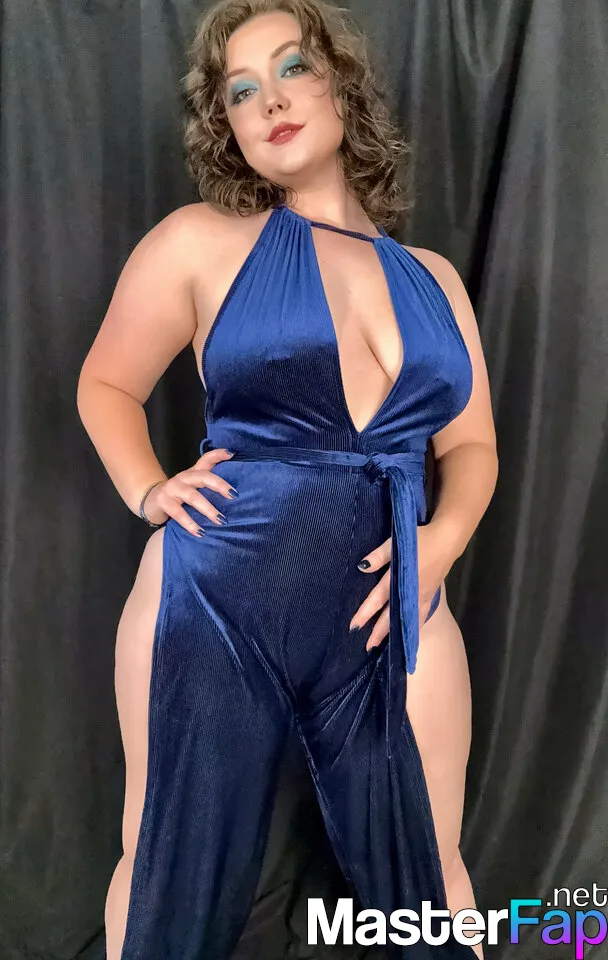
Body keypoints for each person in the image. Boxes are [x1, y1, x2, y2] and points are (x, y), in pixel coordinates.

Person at [76, 1, 498, 957]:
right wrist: (149, 489)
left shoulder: (435, 278)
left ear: (341, 83)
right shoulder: (197, 240)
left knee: (431, 876)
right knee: (165, 863)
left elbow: (472, 447)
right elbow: (105, 384)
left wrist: (440, 545)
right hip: (214, 597)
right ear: (226, 126)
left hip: (395, 601)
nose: (269, 100)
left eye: (293, 67)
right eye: (241, 90)